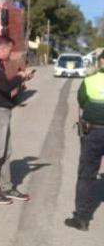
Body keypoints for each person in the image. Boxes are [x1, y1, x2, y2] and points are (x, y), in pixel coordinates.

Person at [0, 35, 34, 205]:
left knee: (6, 151)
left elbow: (6, 91)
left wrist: (21, 81)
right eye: (9, 50)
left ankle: (6, 187)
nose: (10, 54)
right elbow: (5, 86)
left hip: (2, 110)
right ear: (2, 48)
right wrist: (19, 76)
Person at [65, 51, 104, 231]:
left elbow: (82, 102)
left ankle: (81, 219)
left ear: (101, 61)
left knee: (87, 174)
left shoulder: (90, 80)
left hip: (93, 133)